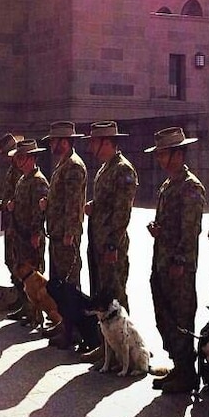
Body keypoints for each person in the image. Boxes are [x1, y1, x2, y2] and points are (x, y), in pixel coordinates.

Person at [144, 127, 205, 393]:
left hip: (178, 267)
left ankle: (186, 373)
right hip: (162, 262)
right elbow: (172, 226)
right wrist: (159, 231)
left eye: (164, 154)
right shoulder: (169, 185)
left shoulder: (190, 187)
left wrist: (179, 262)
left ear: (178, 154)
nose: (160, 159)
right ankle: (178, 366)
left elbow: (190, 230)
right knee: (164, 317)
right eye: (158, 155)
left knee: (181, 319)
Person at [82, 121, 138, 365]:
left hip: (110, 246)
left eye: (95, 141)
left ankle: (126, 350)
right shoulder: (105, 168)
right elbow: (107, 203)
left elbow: (122, 212)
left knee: (116, 298)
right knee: (102, 296)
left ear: (107, 142)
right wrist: (94, 207)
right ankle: (107, 347)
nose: (91, 146)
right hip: (98, 241)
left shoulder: (124, 170)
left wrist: (113, 245)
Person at [39, 121, 88, 348]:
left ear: (65, 142)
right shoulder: (63, 164)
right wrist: (47, 204)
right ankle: (65, 325)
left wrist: (70, 232)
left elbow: (73, 203)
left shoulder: (74, 167)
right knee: (58, 284)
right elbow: (61, 199)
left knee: (69, 287)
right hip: (57, 234)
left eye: (54, 141)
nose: (51, 145)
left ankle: (73, 331)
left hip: (65, 237)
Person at [6, 138, 50, 329]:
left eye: (21, 157)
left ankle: (36, 314)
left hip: (31, 237)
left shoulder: (39, 181)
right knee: (21, 274)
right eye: (17, 157)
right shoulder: (23, 179)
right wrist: (11, 206)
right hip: (20, 235)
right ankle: (27, 308)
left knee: (34, 276)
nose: (17, 161)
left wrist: (36, 233)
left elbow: (39, 211)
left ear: (31, 158)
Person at [0, 133, 25, 317]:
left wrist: (7, 205)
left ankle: (23, 298)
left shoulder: (20, 170)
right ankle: (19, 296)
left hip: (17, 223)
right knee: (10, 259)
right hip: (9, 221)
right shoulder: (12, 169)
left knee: (17, 260)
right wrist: (2, 204)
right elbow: (10, 196)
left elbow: (20, 198)